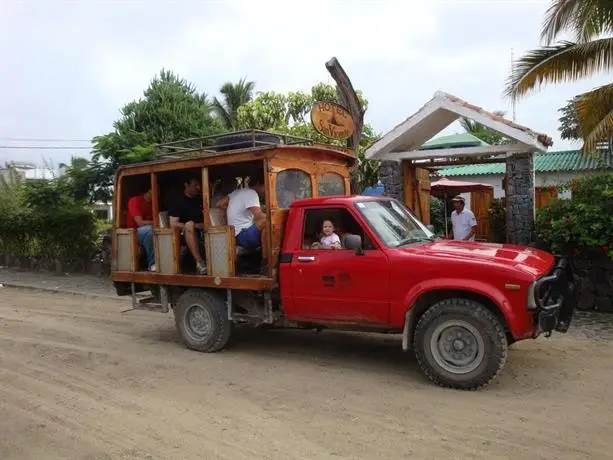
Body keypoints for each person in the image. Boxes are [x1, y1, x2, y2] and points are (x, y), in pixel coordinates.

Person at [216, 177, 268, 273]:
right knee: (268, 220)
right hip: (243, 237)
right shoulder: (252, 193)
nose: (267, 190)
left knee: (265, 223)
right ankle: (266, 262)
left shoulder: (237, 192)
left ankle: (264, 260)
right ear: (258, 184)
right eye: (266, 186)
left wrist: (233, 210)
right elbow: (259, 217)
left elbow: (219, 204)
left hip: (235, 235)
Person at [168, 176, 207, 275]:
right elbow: (173, 224)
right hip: (183, 235)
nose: (198, 188)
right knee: (189, 225)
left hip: (202, 231)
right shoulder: (177, 201)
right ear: (186, 185)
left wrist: (198, 225)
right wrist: (190, 225)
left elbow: (206, 219)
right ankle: (200, 263)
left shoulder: (200, 200)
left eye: (199, 185)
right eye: (195, 185)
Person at [126, 188, 155, 271]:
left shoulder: (153, 204)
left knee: (151, 233)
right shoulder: (134, 200)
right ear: (149, 190)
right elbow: (140, 223)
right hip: (133, 232)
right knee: (150, 229)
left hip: (145, 233)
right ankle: (152, 263)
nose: (158, 194)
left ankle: (155, 264)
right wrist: (155, 222)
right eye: (156, 190)